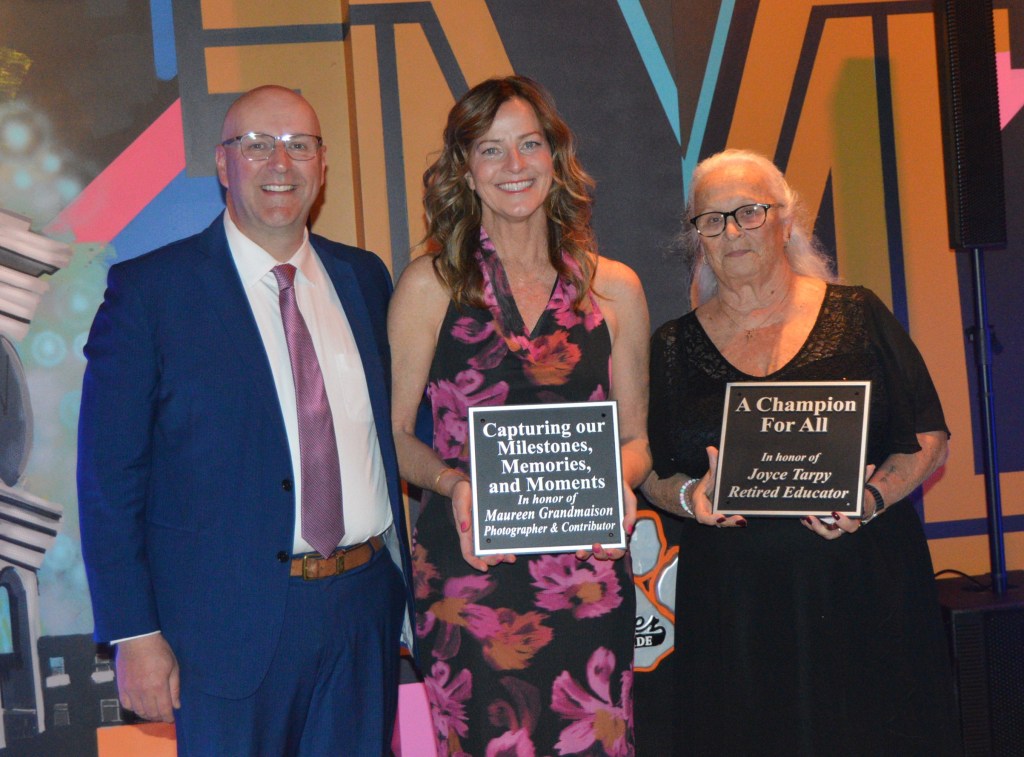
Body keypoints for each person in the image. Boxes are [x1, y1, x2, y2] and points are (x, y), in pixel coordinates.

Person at [78, 85, 415, 756]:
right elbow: (109, 475)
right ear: (222, 163)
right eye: (257, 145)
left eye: (299, 145)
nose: (280, 163)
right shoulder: (150, 292)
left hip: (362, 610)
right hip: (221, 630)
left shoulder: (364, 278)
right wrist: (135, 632)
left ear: (323, 164)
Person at [641, 148, 961, 755]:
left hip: (862, 597)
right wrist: (686, 496)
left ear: (786, 221)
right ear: (697, 238)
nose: (732, 232)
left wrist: (871, 498)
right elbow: (650, 470)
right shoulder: (673, 346)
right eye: (712, 220)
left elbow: (928, 438)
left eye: (750, 213)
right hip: (734, 612)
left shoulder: (858, 314)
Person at [389, 76, 651, 755]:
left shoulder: (613, 288)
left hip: (587, 578)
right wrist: (452, 484)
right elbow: (396, 437)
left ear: (555, 159)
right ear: (465, 170)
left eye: (529, 144)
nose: (514, 165)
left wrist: (617, 482)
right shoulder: (429, 287)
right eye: (491, 149)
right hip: (469, 575)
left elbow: (635, 438)